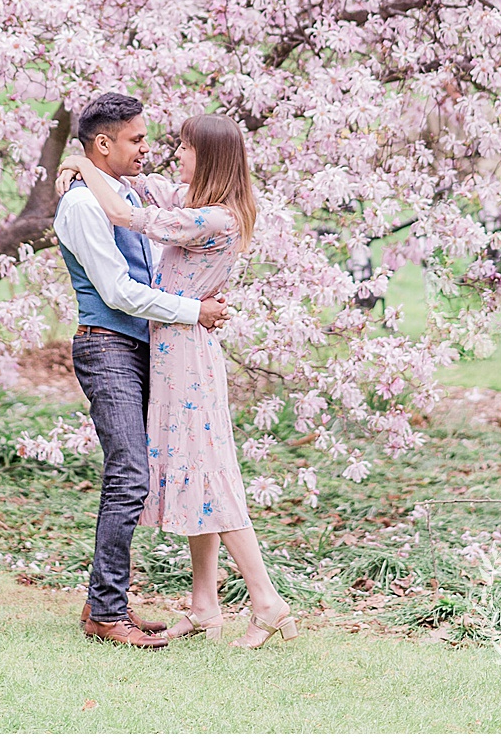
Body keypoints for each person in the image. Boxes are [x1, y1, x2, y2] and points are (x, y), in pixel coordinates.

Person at [58, 112, 299, 649]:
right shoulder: (189, 198)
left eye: (185, 148)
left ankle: (266, 601)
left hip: (186, 350)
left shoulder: (213, 218)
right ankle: (205, 605)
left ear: (207, 157)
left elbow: (123, 209)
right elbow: (135, 184)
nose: (173, 155)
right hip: (171, 348)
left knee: (209, 474)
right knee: (193, 473)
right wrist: (88, 163)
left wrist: (77, 162)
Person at [52, 92, 229, 649]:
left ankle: (105, 602)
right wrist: (192, 311)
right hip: (106, 346)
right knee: (129, 473)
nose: (147, 149)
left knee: (140, 472)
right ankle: (106, 612)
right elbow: (119, 292)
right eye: (136, 139)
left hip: (140, 349)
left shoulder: (123, 192)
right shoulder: (82, 206)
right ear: (103, 144)